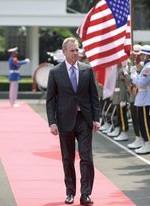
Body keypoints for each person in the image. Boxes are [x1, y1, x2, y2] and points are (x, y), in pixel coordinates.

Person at [46, 37, 100, 205]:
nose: (76, 53)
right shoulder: (55, 72)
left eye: (77, 50)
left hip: (84, 119)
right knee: (68, 158)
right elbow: (51, 100)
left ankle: (85, 195)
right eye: (72, 50)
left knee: (86, 158)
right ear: (64, 52)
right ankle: (70, 192)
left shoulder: (87, 70)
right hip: (64, 121)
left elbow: (94, 97)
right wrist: (52, 122)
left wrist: (96, 119)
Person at [130, 45, 150, 154]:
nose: (140, 57)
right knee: (141, 122)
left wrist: (133, 75)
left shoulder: (148, 67)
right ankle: (145, 143)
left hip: (145, 98)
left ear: (146, 55)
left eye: (141, 55)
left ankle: (148, 144)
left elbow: (141, 82)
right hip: (142, 97)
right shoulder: (146, 66)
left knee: (145, 123)